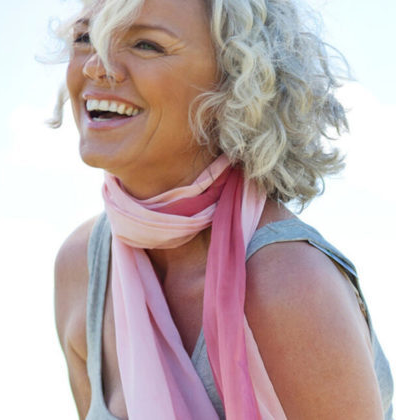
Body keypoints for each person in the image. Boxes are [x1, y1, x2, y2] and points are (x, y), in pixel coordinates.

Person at [51, 0, 394, 418]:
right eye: (86, 37)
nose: (96, 66)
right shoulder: (83, 269)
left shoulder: (290, 284)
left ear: (236, 81)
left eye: (145, 44)